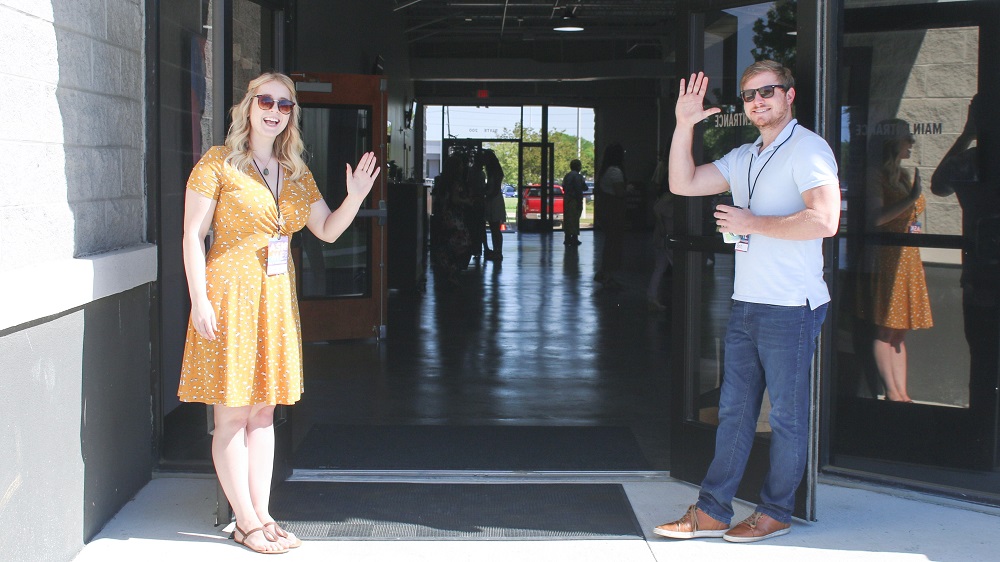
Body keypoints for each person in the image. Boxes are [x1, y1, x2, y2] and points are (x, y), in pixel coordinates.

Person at [178, 72, 380, 554]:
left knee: (264, 413)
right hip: (228, 294)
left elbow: (328, 230)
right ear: (248, 106)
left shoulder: (295, 171)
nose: (274, 110)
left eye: (284, 104)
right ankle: (244, 522)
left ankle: (263, 514)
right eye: (265, 100)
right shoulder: (219, 163)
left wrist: (353, 197)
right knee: (231, 415)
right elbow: (191, 235)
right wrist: (199, 299)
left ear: (292, 115)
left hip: (274, 299)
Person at [653, 61, 840, 543]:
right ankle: (714, 510)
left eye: (767, 92)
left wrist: (751, 223)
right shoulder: (746, 156)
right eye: (749, 96)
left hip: (791, 306)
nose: (758, 102)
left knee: (785, 416)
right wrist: (684, 125)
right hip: (747, 303)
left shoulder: (809, 149)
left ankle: (775, 511)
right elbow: (683, 183)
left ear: (789, 95)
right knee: (734, 410)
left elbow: (824, 221)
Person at [862, 119, 933, 402]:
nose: (911, 145)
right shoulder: (875, 175)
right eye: (907, 139)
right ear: (893, 143)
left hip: (908, 257)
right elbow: (875, 218)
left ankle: (903, 394)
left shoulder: (901, 175)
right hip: (888, 256)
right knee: (886, 326)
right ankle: (892, 391)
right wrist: (911, 199)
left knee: (900, 329)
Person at [594, 143, 628, 288]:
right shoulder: (615, 172)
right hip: (613, 211)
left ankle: (605, 273)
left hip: (606, 210)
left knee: (610, 243)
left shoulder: (605, 171)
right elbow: (620, 192)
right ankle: (607, 274)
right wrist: (629, 189)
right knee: (614, 244)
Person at [646, 185, 674, 311]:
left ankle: (652, 298)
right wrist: (663, 227)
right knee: (677, 268)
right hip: (667, 237)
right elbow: (657, 209)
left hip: (663, 237)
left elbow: (657, 209)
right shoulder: (671, 195)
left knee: (659, 268)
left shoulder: (669, 195)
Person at [482, 149, 507, 262]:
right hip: (495, 200)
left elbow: (495, 189)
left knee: (495, 228)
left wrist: (486, 194)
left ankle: (498, 251)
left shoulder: (494, 173)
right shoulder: (496, 172)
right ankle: (497, 250)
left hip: (494, 201)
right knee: (494, 228)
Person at [562, 159, 587, 246]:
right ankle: (574, 238)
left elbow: (564, 187)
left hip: (567, 200)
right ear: (578, 167)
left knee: (568, 219)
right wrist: (579, 202)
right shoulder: (578, 177)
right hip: (575, 200)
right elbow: (582, 188)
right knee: (575, 219)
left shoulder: (567, 176)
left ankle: (567, 237)